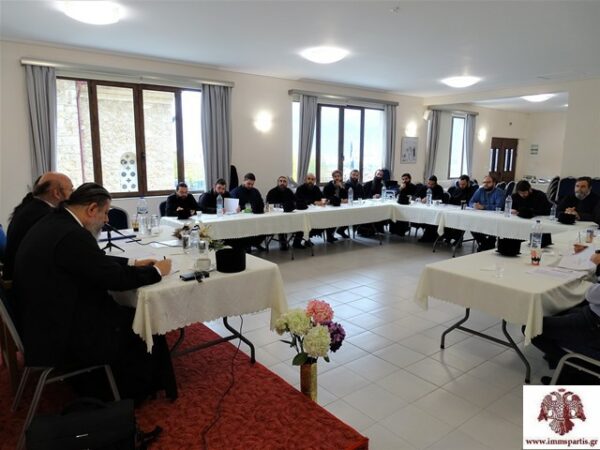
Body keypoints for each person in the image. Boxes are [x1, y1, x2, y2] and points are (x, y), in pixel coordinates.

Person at [13, 183, 174, 401]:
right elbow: (115, 280)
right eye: (105, 213)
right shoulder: (73, 234)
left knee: (123, 310)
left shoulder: (55, 222)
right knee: (143, 319)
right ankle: (136, 390)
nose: (107, 220)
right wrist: (156, 271)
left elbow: (91, 261)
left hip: (39, 322)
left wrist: (132, 262)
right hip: (61, 334)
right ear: (91, 209)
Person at [533, 251, 600, 385]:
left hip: (594, 324)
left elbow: (591, 295)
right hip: (591, 315)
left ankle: (576, 371)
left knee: (533, 330)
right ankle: (559, 362)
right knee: (559, 311)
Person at [4, 172, 73, 282]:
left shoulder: (30, 207)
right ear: (57, 193)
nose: (73, 194)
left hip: (19, 274)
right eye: (71, 190)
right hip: (28, 281)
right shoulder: (45, 215)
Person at [469, 175, 506, 251]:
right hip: (481, 218)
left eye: (488, 182)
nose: (485, 184)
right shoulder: (480, 190)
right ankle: (485, 245)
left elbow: (499, 207)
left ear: (494, 183)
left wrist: (484, 207)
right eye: (484, 182)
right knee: (471, 224)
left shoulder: (499, 192)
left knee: (492, 228)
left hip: (494, 219)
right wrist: (474, 205)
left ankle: (484, 245)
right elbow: (471, 202)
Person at [230, 173, 266, 251]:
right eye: (248, 184)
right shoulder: (235, 192)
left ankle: (256, 243)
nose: (250, 186)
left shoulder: (255, 191)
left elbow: (261, 203)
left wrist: (255, 207)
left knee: (265, 225)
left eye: (252, 184)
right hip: (241, 219)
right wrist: (247, 208)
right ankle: (246, 246)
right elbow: (234, 207)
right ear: (244, 181)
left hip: (255, 217)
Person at [442, 175, 477, 244]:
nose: (461, 186)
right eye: (460, 184)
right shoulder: (455, 189)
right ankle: (448, 236)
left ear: (468, 183)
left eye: (463, 184)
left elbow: (470, 202)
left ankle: (458, 239)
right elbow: (451, 200)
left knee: (460, 219)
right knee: (446, 218)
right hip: (453, 210)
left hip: (465, 211)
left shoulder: (472, 190)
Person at [266, 176, 297, 250]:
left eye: (284, 181)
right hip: (274, 217)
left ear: (287, 183)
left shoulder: (289, 192)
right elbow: (268, 205)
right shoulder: (272, 192)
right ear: (278, 182)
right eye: (281, 181)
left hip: (288, 216)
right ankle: (282, 240)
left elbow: (294, 202)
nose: (282, 183)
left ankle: (290, 241)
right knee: (281, 221)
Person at [294, 173, 325, 246]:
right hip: (303, 211)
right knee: (304, 223)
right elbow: (299, 201)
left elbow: (322, 198)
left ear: (315, 181)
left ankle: (307, 238)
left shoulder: (316, 188)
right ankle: (297, 242)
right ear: (305, 180)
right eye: (309, 179)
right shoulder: (300, 188)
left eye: (312, 179)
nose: (310, 181)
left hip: (315, 212)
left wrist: (323, 201)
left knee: (323, 221)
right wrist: (314, 202)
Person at [322, 170, 349, 242]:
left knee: (349, 214)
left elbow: (346, 197)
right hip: (330, 207)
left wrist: (342, 188)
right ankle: (329, 235)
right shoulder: (328, 186)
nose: (337, 178)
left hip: (341, 206)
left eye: (338, 176)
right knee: (332, 217)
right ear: (333, 177)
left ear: (341, 177)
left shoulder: (342, 185)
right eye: (335, 176)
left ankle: (341, 230)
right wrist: (340, 200)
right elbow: (326, 198)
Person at [417, 175, 445, 243]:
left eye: (432, 184)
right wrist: (420, 199)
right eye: (429, 183)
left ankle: (429, 237)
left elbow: (439, 199)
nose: (430, 186)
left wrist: (429, 199)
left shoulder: (439, 188)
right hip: (424, 208)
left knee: (431, 218)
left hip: (435, 209)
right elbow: (415, 195)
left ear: (435, 183)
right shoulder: (424, 187)